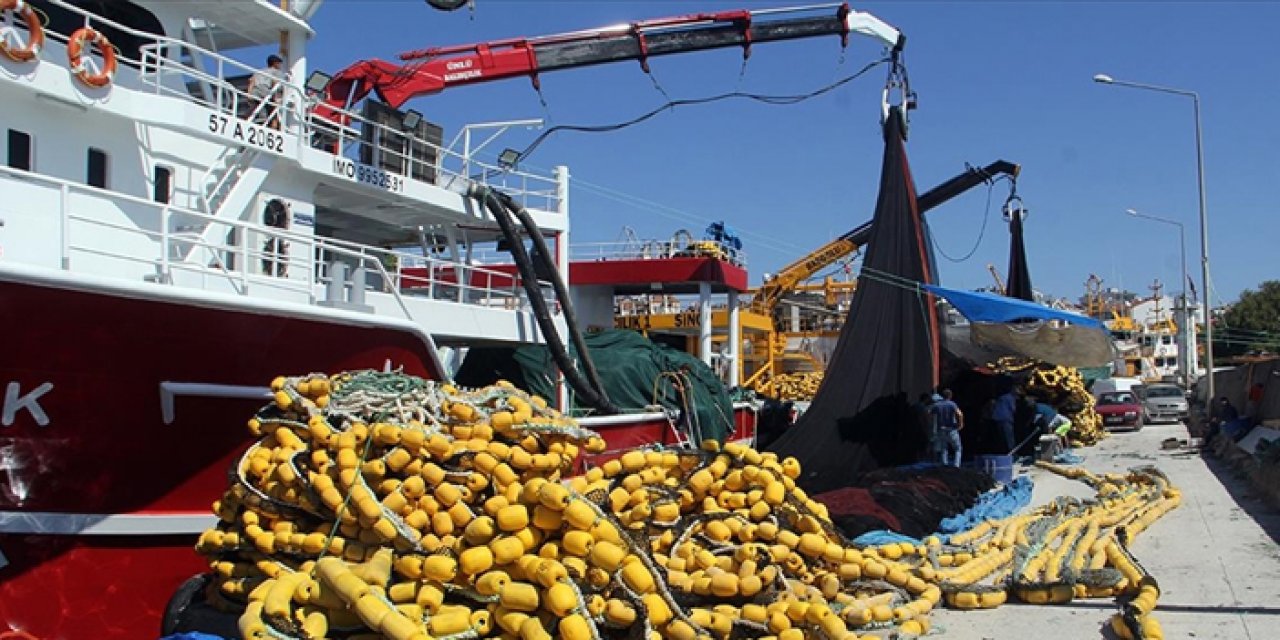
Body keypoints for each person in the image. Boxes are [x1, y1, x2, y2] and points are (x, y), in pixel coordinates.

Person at [249, 54, 287, 127]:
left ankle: (249, 120)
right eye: (279, 63)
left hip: (255, 91)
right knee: (274, 112)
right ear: (275, 63)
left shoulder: (260, 71)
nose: (280, 65)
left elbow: (252, 81)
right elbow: (275, 82)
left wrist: (249, 93)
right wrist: (275, 98)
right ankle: (273, 129)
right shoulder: (276, 72)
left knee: (257, 109)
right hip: (265, 91)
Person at [929, 389, 964, 467]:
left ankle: (944, 464)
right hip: (951, 429)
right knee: (957, 448)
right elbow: (960, 414)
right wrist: (960, 424)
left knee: (944, 448)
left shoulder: (937, 405)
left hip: (941, 429)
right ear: (950, 396)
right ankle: (956, 465)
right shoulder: (952, 404)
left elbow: (929, 413)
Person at [991, 388, 1017, 453]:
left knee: (1001, 436)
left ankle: (1002, 451)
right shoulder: (1010, 398)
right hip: (1006, 418)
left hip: (997, 418)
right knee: (1009, 436)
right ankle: (1012, 452)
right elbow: (1013, 409)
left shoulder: (1001, 397)